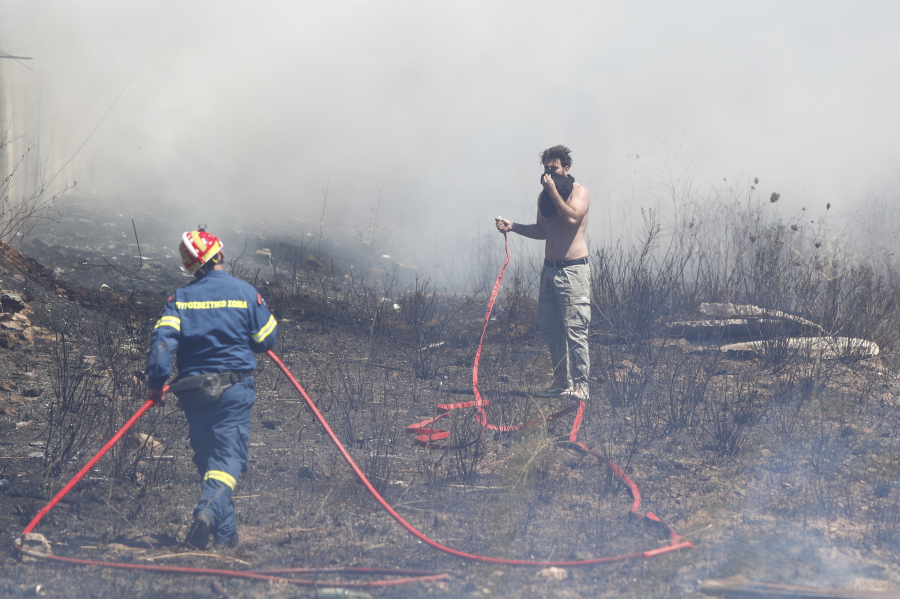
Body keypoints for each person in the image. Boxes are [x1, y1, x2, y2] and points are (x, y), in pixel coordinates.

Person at [144, 228, 277, 550]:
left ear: (190, 265)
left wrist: (156, 383)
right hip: (234, 389)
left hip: (193, 392)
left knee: (208, 457)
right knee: (229, 459)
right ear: (219, 254)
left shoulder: (179, 298)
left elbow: (162, 342)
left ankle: (226, 535)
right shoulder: (246, 292)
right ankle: (206, 511)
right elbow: (265, 341)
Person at [495, 145, 591, 400]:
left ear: (566, 168)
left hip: (573, 272)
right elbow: (542, 230)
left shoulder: (580, 193)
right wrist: (512, 226)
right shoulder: (545, 197)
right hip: (549, 271)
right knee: (551, 330)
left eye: (555, 168)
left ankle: (581, 386)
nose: (549, 173)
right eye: (546, 169)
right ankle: (561, 383)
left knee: (575, 330)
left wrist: (551, 191)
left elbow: (571, 218)